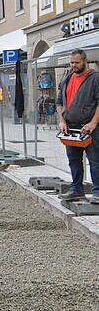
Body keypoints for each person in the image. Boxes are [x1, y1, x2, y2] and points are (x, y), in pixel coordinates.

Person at [56, 48, 99, 200]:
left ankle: (97, 192)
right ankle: (76, 189)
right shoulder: (67, 78)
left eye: (77, 62)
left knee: (95, 160)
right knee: (74, 160)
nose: (73, 65)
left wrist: (93, 123)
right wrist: (62, 120)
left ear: (85, 61)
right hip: (71, 127)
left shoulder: (95, 78)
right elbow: (59, 102)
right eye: (71, 62)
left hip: (90, 128)